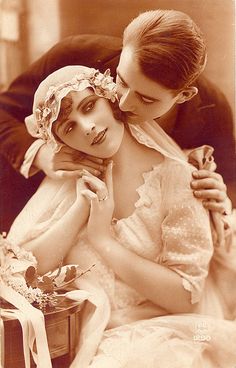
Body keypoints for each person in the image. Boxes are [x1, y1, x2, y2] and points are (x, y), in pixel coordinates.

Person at [7, 65, 236, 368]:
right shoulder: (69, 185)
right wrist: (80, 211)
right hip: (94, 340)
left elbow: (187, 296)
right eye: (69, 127)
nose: (87, 126)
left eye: (89, 107)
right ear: (62, 142)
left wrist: (102, 240)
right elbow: (19, 274)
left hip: (174, 335)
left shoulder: (177, 176)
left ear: (111, 100)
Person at [0, 9, 234, 232]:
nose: (123, 104)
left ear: (184, 95)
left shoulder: (212, 109)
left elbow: (230, 182)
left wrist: (220, 196)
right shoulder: (74, 56)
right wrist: (41, 155)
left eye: (146, 99)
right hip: (42, 207)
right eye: (121, 81)